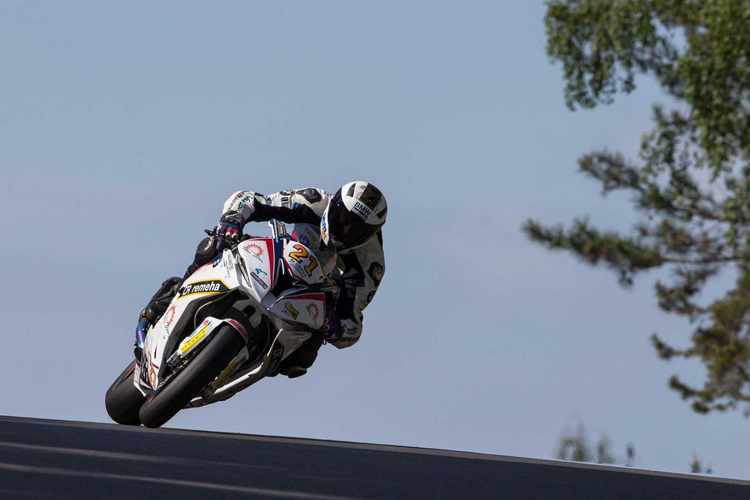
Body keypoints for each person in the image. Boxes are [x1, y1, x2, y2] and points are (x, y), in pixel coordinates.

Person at [138, 181, 387, 378]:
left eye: (357, 230)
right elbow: (251, 200)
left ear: (373, 233)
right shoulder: (314, 201)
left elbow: (352, 319)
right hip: (274, 257)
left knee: (303, 357)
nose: (345, 232)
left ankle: (248, 361)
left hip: (309, 293)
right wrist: (233, 219)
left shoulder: (370, 263)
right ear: (334, 207)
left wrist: (337, 328)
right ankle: (173, 293)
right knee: (215, 244)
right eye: (343, 221)